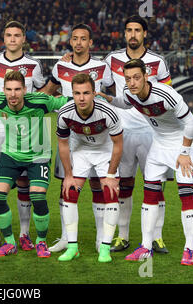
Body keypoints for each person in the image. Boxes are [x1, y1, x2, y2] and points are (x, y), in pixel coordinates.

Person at [101, 59, 193, 266]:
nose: (132, 82)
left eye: (137, 77)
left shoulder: (165, 94)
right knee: (150, 192)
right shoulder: (129, 92)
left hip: (182, 142)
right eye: (128, 79)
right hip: (159, 142)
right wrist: (107, 98)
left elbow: (190, 122)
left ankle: (189, 249)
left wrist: (184, 152)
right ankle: (145, 247)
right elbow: (124, 103)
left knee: (186, 193)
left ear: (146, 76)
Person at [0, 70, 70, 258]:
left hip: (38, 156)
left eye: (17, 89)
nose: (13, 94)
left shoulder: (41, 101)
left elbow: (67, 103)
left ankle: (41, 242)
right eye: (9, 89)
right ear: (3, 90)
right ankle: (10, 243)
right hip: (11, 155)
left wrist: (98, 99)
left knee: (38, 196)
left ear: (25, 90)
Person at [39, 23, 114, 253]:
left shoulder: (102, 67)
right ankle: (65, 238)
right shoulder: (60, 66)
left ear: (90, 43)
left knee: (97, 185)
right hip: (69, 134)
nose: (79, 42)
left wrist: (106, 101)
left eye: (84, 39)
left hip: (98, 135)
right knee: (67, 184)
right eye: (75, 38)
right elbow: (47, 93)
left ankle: (101, 239)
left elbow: (112, 95)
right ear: (70, 42)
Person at [0, 20, 46, 251]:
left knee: (25, 180)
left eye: (17, 35)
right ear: (4, 38)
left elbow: (43, 92)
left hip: (26, 128)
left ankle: (24, 234)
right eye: (9, 35)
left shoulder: (34, 65)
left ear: (24, 39)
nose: (13, 39)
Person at [103, 15, 172, 253]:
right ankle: (122, 237)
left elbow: (167, 95)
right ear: (124, 33)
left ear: (145, 34)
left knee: (156, 185)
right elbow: (102, 90)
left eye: (137, 30)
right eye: (128, 30)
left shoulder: (158, 62)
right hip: (122, 132)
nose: (133, 34)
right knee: (124, 185)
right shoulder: (112, 59)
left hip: (152, 132)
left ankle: (157, 237)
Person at [56, 73, 123, 263]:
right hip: (81, 150)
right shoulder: (65, 112)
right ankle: (72, 247)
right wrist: (68, 175)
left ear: (94, 93)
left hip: (105, 151)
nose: (81, 98)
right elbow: (62, 144)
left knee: (110, 192)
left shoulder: (108, 112)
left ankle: (105, 248)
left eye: (86, 93)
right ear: (72, 93)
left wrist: (110, 175)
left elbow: (118, 145)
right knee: (69, 192)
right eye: (77, 93)